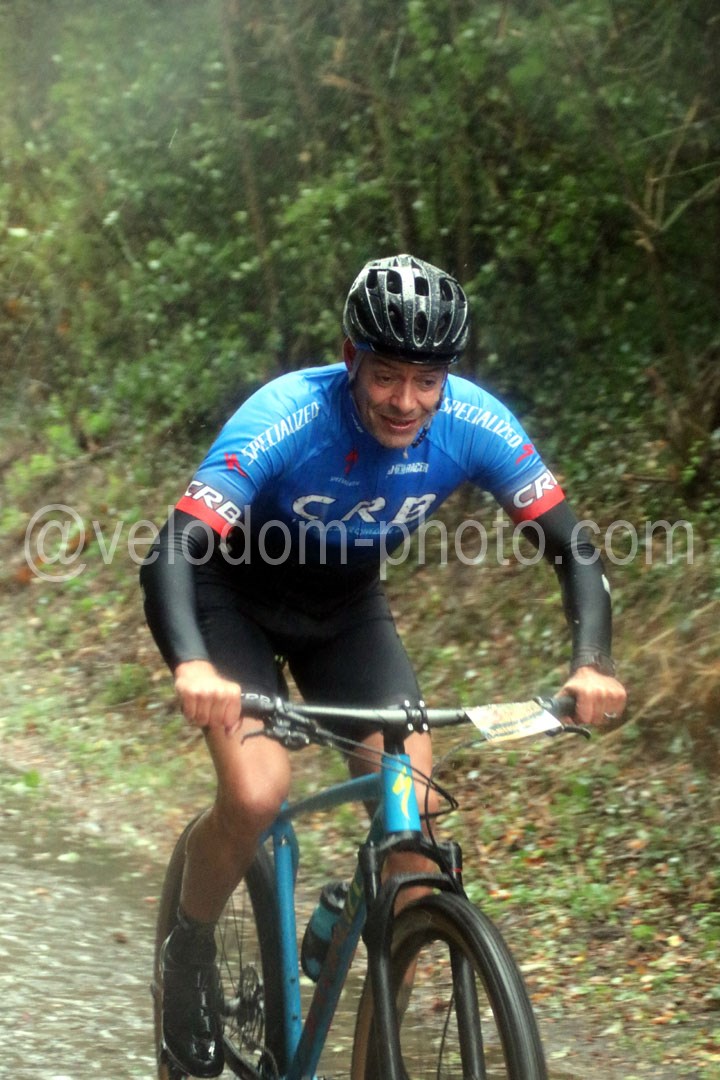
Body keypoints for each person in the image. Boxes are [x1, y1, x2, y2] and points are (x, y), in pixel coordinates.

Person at [140, 253, 626, 1077]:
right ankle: (187, 948)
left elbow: (571, 545)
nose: (406, 400)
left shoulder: (474, 422)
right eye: (387, 375)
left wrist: (591, 662)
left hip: (344, 612)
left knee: (414, 842)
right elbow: (172, 553)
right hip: (232, 601)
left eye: (427, 380)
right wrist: (192, 663)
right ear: (351, 358)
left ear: (448, 377)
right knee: (257, 792)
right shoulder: (289, 416)